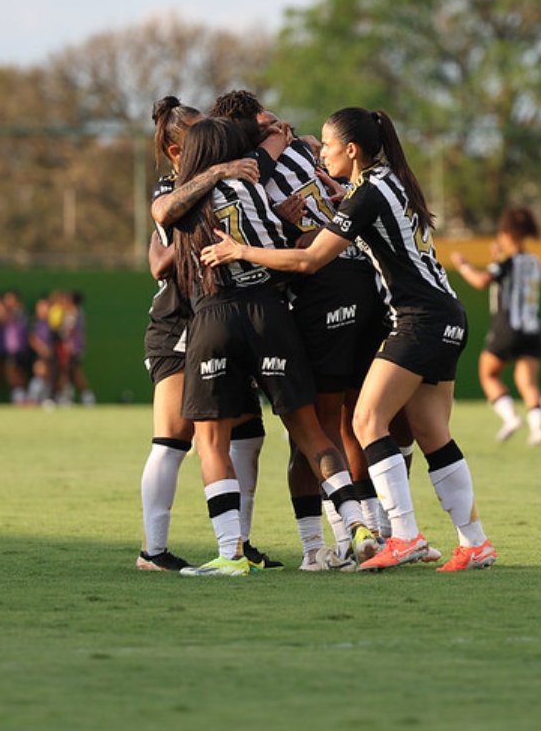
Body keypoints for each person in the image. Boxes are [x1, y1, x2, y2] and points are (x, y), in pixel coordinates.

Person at [201, 107, 498, 573]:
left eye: (329, 144)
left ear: (352, 150)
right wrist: (343, 205)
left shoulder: (366, 194)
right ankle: (474, 542)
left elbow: (308, 262)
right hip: (449, 313)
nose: (322, 153)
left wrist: (240, 250)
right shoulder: (392, 181)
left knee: (365, 420)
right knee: (431, 433)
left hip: (418, 318)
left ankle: (402, 536)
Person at [208, 89, 406, 571]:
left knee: (350, 422)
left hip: (342, 283)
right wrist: (283, 224)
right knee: (339, 423)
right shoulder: (268, 161)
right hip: (340, 286)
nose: (278, 123)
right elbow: (283, 239)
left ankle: (357, 537)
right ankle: (350, 538)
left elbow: (299, 232)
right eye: (267, 119)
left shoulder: (283, 155)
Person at [172, 116, 377, 577]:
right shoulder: (254, 192)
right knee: (309, 432)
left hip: (217, 314)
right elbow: (283, 252)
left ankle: (231, 554)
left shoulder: (182, 199)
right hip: (271, 314)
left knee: (211, 440)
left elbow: (163, 224)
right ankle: (358, 526)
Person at [135, 98, 281, 574]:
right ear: (178, 151)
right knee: (174, 438)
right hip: (179, 326)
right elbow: (159, 261)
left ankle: (240, 544)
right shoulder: (171, 187)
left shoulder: (228, 179)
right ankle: (152, 551)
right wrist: (216, 175)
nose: (212, 145)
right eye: (200, 137)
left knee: (247, 434)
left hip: (223, 318)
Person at [450, 207, 541, 445]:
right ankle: (538, 428)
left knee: (488, 373)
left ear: (507, 234)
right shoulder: (535, 262)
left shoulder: (508, 262)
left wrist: (463, 265)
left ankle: (511, 417)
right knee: (528, 382)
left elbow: (483, 281)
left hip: (508, 328)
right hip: (532, 329)